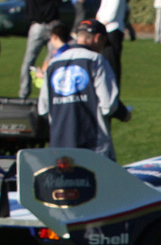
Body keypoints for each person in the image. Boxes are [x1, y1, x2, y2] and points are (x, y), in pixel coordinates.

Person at [39, 20, 131, 160]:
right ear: (98, 38)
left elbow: (43, 108)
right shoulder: (96, 60)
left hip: (59, 145)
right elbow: (108, 105)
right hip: (92, 145)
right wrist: (124, 114)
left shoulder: (53, 64)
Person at [18, 0, 68, 98]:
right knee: (53, 60)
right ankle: (50, 91)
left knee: (29, 61)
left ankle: (24, 92)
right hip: (54, 28)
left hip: (37, 27)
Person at [94, 0, 128, 85]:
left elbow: (113, 11)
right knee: (105, 61)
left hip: (114, 29)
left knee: (113, 62)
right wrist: (97, 21)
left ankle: (115, 92)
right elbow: (102, 7)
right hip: (104, 29)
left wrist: (102, 23)